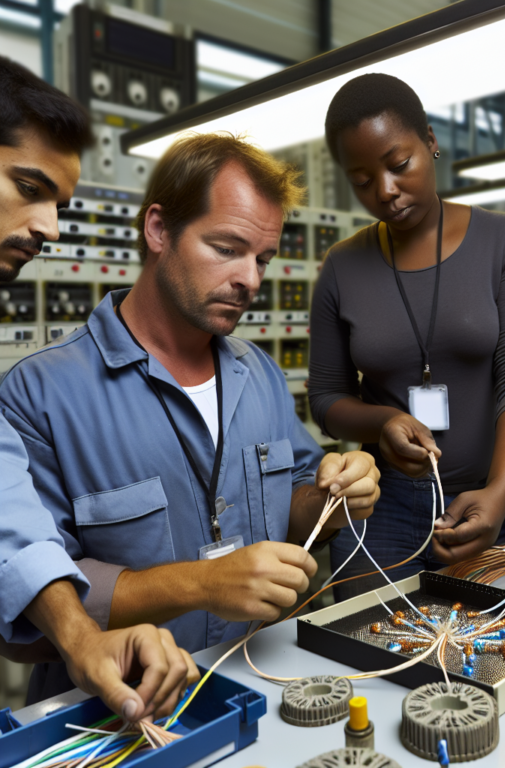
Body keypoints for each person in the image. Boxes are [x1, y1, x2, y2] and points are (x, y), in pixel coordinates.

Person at [0, 131, 381, 702]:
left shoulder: (261, 374)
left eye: (263, 259)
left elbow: (299, 510)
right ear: (159, 230)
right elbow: (28, 613)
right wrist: (202, 585)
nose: (251, 279)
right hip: (124, 711)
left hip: (263, 687)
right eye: (227, 249)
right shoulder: (41, 393)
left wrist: (336, 497)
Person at [0, 56, 197, 718]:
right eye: (28, 186)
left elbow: (6, 512)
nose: (50, 229)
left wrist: (82, 637)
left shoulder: (251, 370)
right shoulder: (44, 386)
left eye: (59, 204)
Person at [309, 74, 505, 599]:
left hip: (490, 499)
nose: (386, 191)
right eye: (362, 179)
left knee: (493, 657)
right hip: (381, 507)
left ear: (432, 142)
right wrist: (386, 420)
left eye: (399, 165)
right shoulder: (341, 267)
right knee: (370, 654)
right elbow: (326, 398)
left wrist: (500, 494)